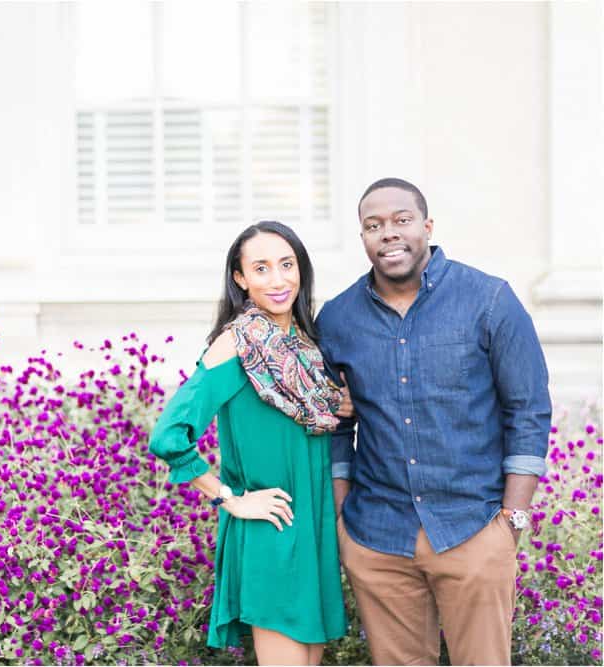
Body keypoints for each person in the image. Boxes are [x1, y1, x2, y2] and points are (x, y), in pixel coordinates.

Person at [315, 178, 551, 665]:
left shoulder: (488, 300)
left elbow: (528, 410)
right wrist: (342, 520)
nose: (388, 234)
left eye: (401, 220)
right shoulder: (338, 319)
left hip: (474, 527)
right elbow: (333, 424)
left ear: (426, 226)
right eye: (373, 225)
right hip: (377, 537)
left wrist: (513, 522)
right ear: (362, 237)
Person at [148, 221, 353, 666]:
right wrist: (230, 499)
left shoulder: (304, 345)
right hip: (272, 525)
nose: (278, 280)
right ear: (240, 279)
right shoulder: (236, 345)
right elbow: (168, 435)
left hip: (313, 526)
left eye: (286, 265)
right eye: (261, 268)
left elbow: (318, 415)